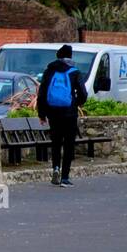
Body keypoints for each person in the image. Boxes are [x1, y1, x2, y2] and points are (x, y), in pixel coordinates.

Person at [36, 44, 88, 187]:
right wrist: (75, 103)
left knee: (56, 143)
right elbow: (83, 94)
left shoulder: (49, 71)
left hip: (53, 113)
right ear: (70, 57)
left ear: (58, 56)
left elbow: (41, 94)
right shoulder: (74, 72)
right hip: (69, 113)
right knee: (68, 144)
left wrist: (42, 114)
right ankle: (65, 177)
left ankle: (55, 168)